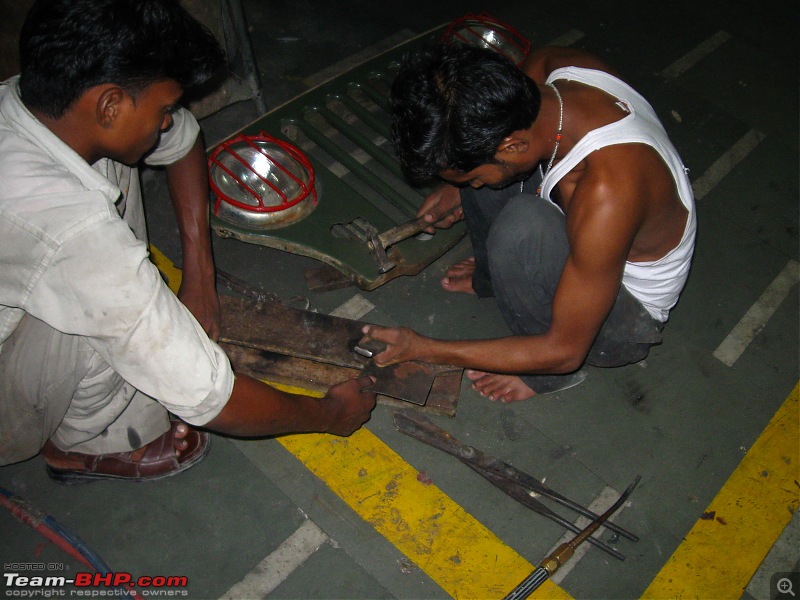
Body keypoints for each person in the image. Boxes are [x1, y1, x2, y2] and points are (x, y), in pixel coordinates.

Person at [0, 0, 376, 483]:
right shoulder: (72, 235)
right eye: (163, 108)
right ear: (110, 103)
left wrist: (201, 277)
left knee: (105, 177)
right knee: (110, 307)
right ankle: (84, 444)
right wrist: (329, 416)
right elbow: (210, 397)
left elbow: (181, 142)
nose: (166, 122)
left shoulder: (36, 107)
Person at [360, 42, 696, 403]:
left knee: (520, 228)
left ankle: (542, 378)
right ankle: (492, 277)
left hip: (624, 318)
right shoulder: (552, 67)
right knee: (494, 183)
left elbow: (564, 350)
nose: (468, 185)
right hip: (590, 232)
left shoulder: (609, 190)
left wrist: (424, 348)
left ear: (513, 145)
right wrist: (456, 184)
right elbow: (483, 150)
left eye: (468, 177)